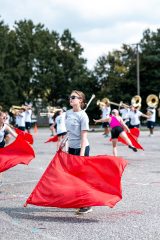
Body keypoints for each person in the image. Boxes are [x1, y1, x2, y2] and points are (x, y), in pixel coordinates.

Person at [64, 90, 92, 214]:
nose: (71, 98)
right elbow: (68, 132)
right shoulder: (68, 113)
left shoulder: (83, 116)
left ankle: (87, 204)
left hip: (82, 148)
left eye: (74, 97)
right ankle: (78, 200)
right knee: (73, 176)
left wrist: (81, 155)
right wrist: (63, 142)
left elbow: (84, 138)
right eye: (70, 97)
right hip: (71, 147)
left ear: (80, 100)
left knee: (82, 176)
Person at [0, 111, 18, 186]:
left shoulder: (5, 126)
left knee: (0, 165)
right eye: (3, 117)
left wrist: (24, 141)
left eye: (6, 117)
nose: (5, 118)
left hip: (0, 146)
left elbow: (15, 135)